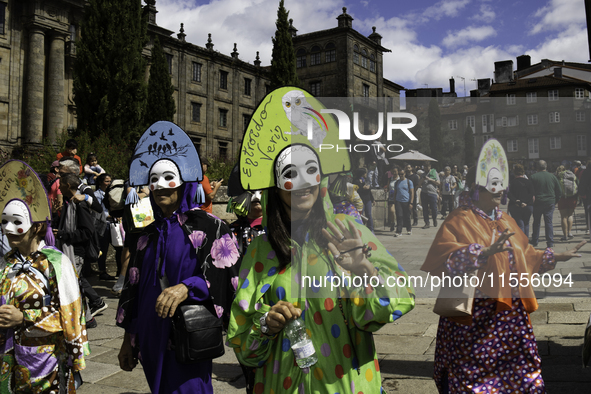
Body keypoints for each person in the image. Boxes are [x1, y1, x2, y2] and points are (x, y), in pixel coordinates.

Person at [228, 145, 415, 394]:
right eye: (290, 173)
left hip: (345, 385)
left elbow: (391, 305)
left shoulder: (347, 231)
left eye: (310, 170)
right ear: (276, 185)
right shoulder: (261, 249)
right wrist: (266, 323)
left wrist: (365, 269)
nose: (302, 182)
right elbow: (244, 345)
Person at [421, 140, 586, 393]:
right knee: (473, 375)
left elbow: (525, 253)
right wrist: (481, 253)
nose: (499, 190)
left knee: (521, 375)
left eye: (501, 184)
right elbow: (444, 260)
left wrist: (555, 256)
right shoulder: (460, 218)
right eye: (492, 184)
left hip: (509, 316)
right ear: (478, 187)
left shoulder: (504, 218)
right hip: (475, 319)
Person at [116, 121, 240, 394]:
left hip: (188, 337)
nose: (160, 186)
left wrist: (188, 287)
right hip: (150, 338)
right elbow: (134, 288)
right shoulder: (144, 234)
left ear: (184, 179)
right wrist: (129, 339)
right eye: (154, 179)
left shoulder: (210, 227)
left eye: (168, 177)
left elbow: (227, 275)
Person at [0, 160, 89, 393]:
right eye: (4, 222)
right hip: (8, 365)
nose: (8, 229)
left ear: (36, 226)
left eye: (17, 222)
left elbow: (72, 316)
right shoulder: (6, 264)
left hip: (46, 366)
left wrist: (24, 318)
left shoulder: (55, 263)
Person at [56, 173, 108, 327]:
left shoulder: (80, 204)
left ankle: (89, 318)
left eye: (61, 185)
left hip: (77, 252)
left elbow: (87, 232)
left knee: (74, 286)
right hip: (71, 250)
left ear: (69, 186)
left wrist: (63, 234)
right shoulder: (69, 203)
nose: (58, 188)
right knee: (75, 285)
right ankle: (88, 318)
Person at [530, 160, 562, 248]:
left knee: (536, 222)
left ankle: (535, 240)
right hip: (550, 202)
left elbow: (530, 192)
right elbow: (559, 191)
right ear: (546, 166)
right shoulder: (552, 176)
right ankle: (550, 242)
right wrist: (555, 201)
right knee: (548, 222)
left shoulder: (533, 177)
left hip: (538, 202)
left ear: (537, 167)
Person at [94, 173, 119, 280]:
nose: (109, 183)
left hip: (114, 224)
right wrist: (112, 214)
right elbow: (98, 211)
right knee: (103, 249)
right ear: (100, 183)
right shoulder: (97, 195)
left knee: (119, 248)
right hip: (103, 224)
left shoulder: (113, 192)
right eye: (106, 181)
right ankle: (102, 270)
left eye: (110, 181)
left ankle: (120, 270)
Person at [508, 164, 535, 238]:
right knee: (526, 223)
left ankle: (521, 242)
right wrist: (525, 202)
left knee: (519, 224)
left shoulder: (512, 183)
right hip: (528, 206)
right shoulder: (528, 182)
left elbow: (509, 194)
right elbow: (532, 193)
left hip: (515, 206)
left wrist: (517, 201)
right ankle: (526, 241)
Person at [555, 165, 578, 241]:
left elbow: (556, 188)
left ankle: (565, 236)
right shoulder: (572, 175)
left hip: (562, 198)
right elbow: (578, 184)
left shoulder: (558, 177)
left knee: (563, 217)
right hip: (572, 197)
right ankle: (569, 232)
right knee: (570, 215)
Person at [393, 168, 414, 236]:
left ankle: (409, 228)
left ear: (405, 174)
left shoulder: (409, 182)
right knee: (399, 216)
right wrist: (394, 201)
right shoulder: (397, 182)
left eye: (402, 174)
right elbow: (395, 192)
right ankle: (399, 231)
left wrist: (411, 202)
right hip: (398, 201)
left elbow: (412, 193)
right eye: (400, 174)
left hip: (406, 201)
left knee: (407, 216)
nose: (401, 175)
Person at [354, 167, 375, 232]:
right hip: (360, 200)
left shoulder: (366, 180)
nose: (366, 174)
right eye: (365, 173)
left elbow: (369, 191)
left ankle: (371, 229)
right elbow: (356, 191)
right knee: (361, 215)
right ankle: (361, 228)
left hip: (368, 199)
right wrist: (362, 188)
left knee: (369, 214)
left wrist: (372, 199)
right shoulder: (356, 181)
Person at [421, 162, 440, 228]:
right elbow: (419, 183)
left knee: (434, 208)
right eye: (424, 167)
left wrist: (430, 179)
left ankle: (434, 219)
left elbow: (438, 182)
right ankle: (427, 222)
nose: (426, 168)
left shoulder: (434, 173)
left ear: (430, 166)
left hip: (432, 193)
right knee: (425, 208)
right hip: (424, 192)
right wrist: (423, 179)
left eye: (427, 166)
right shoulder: (422, 174)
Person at [387, 166, 399, 231]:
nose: (394, 173)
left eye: (395, 171)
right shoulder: (390, 179)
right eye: (393, 171)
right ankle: (392, 222)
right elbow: (388, 187)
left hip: (398, 196)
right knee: (391, 211)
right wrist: (386, 189)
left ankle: (398, 224)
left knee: (398, 211)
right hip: (391, 196)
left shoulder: (400, 179)